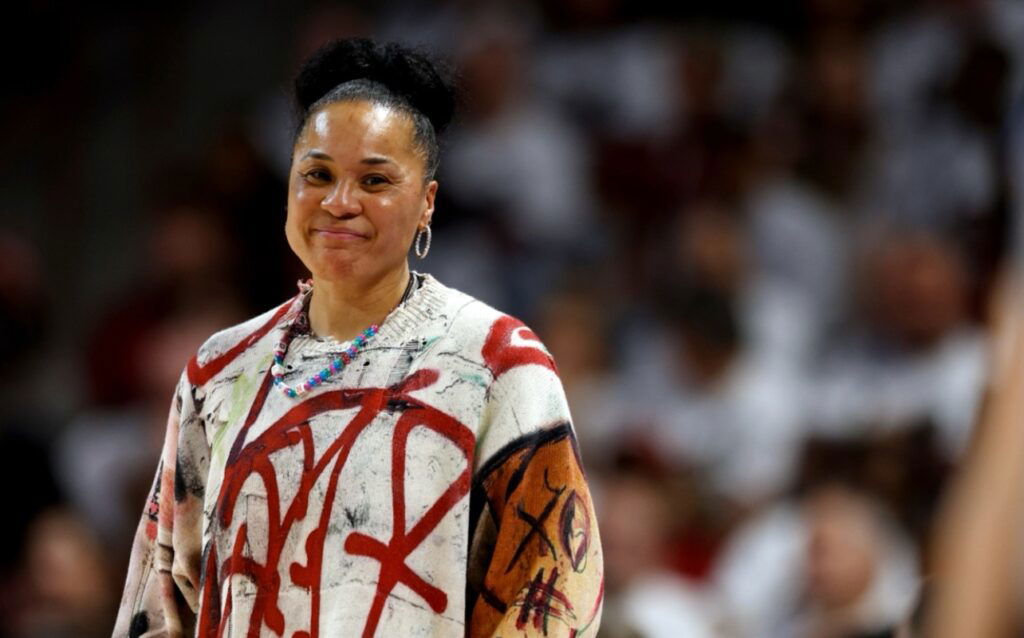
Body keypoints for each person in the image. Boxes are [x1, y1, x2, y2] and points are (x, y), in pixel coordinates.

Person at [111, 38, 603, 638]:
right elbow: (160, 601)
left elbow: (553, 597)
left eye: (374, 180)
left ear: (427, 203)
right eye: (317, 175)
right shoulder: (219, 371)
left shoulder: (498, 362)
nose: (340, 202)